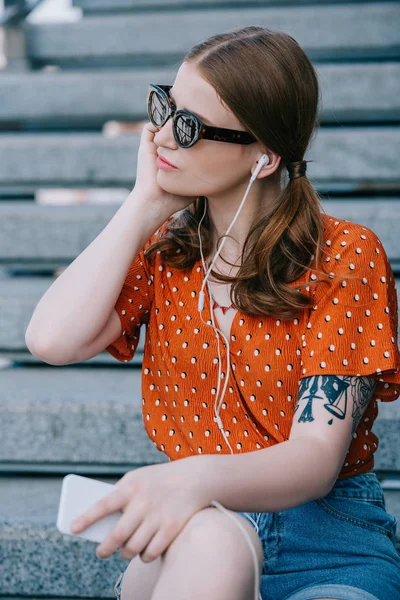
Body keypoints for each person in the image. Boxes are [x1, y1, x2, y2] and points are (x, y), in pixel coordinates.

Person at [26, 26, 400, 600]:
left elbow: (314, 457)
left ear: (264, 156)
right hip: (195, 526)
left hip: (327, 541)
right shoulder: (166, 253)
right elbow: (51, 340)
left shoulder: (343, 256)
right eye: (165, 108)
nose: (161, 138)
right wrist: (144, 202)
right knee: (212, 542)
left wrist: (189, 478)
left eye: (190, 127)